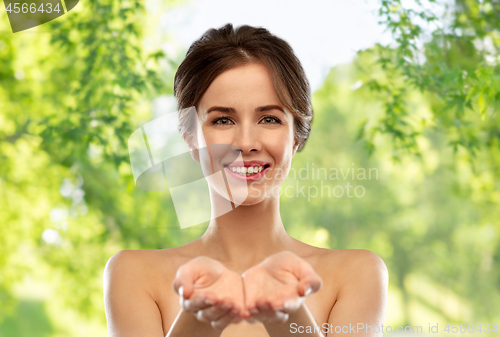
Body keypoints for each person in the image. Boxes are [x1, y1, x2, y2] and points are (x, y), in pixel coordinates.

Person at [103, 23, 388, 337]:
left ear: (296, 138)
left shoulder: (356, 274)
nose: (246, 142)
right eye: (223, 120)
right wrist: (198, 316)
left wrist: (287, 316)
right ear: (190, 139)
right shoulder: (134, 275)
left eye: (269, 119)